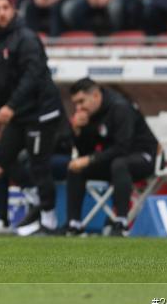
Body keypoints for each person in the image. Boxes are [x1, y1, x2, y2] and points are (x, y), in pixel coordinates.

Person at [0, 0, 63, 236]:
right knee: (0, 165)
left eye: (5, 7)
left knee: (39, 164)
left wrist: (11, 107)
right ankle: (1, 220)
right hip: (17, 115)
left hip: (40, 111)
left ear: (13, 10)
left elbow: (33, 77)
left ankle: (49, 220)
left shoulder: (27, 38)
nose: (1, 12)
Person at [65, 77, 158, 236]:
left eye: (81, 101)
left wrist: (90, 159)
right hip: (114, 160)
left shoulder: (120, 107)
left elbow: (122, 148)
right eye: (75, 104)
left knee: (119, 164)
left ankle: (121, 222)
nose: (78, 107)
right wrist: (78, 131)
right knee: (76, 168)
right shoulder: (90, 113)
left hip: (143, 156)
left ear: (95, 95)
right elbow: (85, 151)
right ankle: (74, 224)